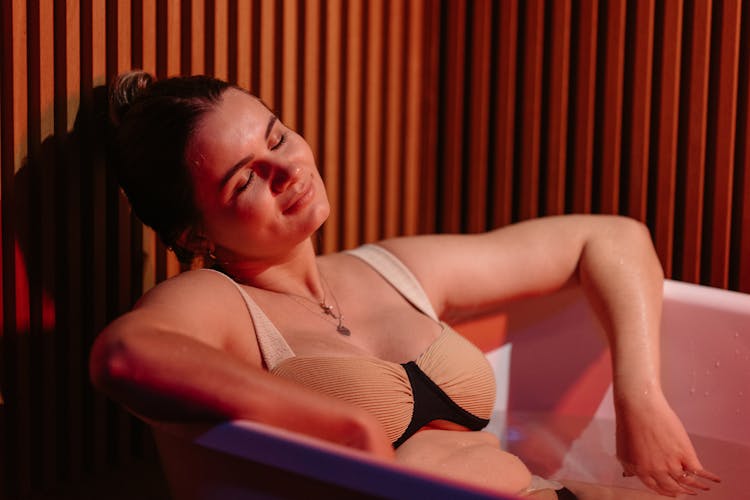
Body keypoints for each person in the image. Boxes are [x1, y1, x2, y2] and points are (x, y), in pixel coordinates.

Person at [90, 71, 720, 499]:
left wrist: (639, 398)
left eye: (277, 136)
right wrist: (344, 430)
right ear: (197, 235)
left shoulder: (390, 269)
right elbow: (122, 354)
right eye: (245, 179)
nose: (286, 168)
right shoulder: (222, 301)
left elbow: (611, 238)